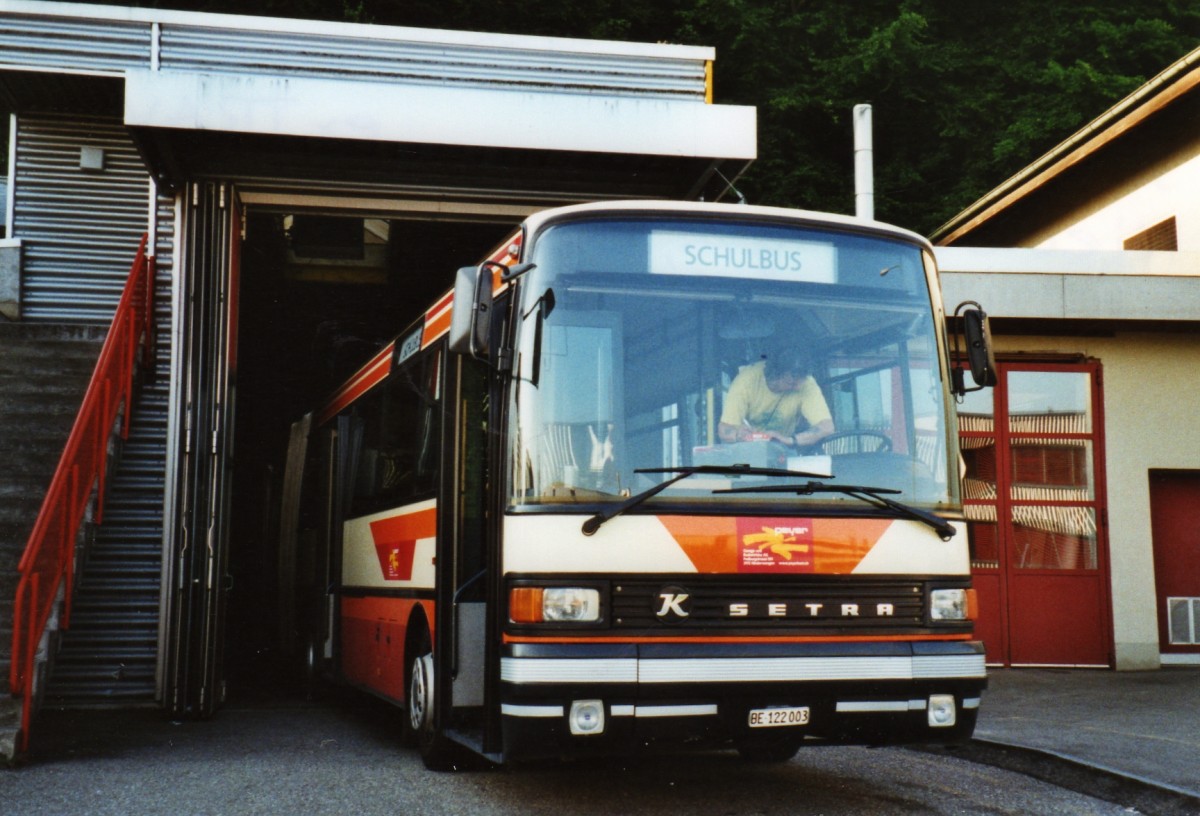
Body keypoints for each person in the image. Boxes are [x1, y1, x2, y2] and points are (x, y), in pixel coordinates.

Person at [717, 347, 835, 449]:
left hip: (786, 449)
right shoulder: (746, 381)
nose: (798, 387)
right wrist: (738, 434)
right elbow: (724, 429)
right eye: (791, 383)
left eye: (801, 381)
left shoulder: (806, 383)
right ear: (774, 375)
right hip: (749, 450)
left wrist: (788, 440)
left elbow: (826, 427)